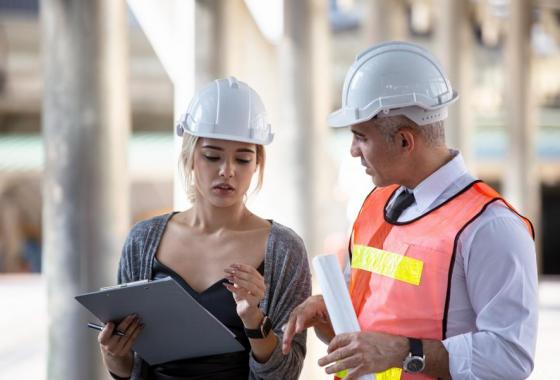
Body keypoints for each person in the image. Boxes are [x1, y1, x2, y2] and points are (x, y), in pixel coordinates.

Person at [282, 41, 538, 380]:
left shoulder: (490, 226)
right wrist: (333, 316)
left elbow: (510, 358)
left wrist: (405, 351)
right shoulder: (375, 206)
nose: (353, 151)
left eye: (361, 137)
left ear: (405, 141)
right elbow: (367, 329)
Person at [98, 77, 311, 380]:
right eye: (212, 156)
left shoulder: (284, 250)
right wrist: (114, 355)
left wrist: (253, 319)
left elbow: (286, 374)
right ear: (190, 156)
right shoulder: (143, 241)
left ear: (257, 164)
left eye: (243, 158)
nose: (227, 171)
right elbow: (129, 371)